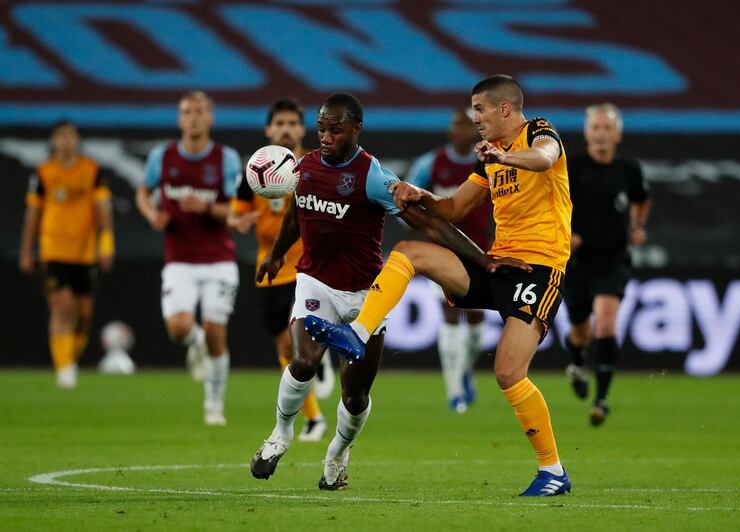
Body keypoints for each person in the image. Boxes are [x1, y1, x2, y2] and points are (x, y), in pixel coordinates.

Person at [305, 75, 574, 497]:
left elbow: (543, 159)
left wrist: (503, 160)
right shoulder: (489, 157)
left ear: (505, 108)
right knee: (411, 252)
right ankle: (356, 334)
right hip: (499, 263)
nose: (475, 118)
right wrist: (418, 195)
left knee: (507, 371)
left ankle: (553, 471)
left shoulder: (537, 131)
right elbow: (452, 208)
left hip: (540, 270)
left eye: (480, 110)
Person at [248, 92, 510, 490]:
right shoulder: (305, 167)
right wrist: (276, 255)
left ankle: (337, 453)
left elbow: (430, 225)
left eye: (335, 129)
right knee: (303, 362)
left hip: (365, 297)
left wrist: (482, 260)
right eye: (321, 128)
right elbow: (297, 211)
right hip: (315, 282)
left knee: (355, 397)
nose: (326, 136)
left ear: (356, 129)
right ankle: (280, 434)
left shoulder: (373, 176)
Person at [136, 91, 241, 426]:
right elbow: (142, 191)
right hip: (179, 260)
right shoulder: (162, 157)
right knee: (180, 328)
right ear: (180, 118)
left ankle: (214, 404)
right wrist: (152, 214)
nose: (192, 118)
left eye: (199, 112)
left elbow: (238, 208)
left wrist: (208, 207)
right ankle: (193, 342)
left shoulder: (226, 159)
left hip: (218, 260)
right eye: (186, 112)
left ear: (210, 118)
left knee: (215, 332)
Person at [228, 98, 327, 442]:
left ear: (302, 129)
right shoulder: (255, 169)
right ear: (269, 130)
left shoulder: (316, 166)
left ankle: (314, 412)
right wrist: (239, 221)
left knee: (294, 343)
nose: (286, 129)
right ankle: (314, 415)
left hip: (312, 268)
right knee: (287, 350)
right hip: (271, 270)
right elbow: (235, 213)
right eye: (279, 123)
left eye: (292, 123)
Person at [563, 103, 651, 426]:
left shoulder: (629, 169)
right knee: (580, 332)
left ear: (618, 133)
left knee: (606, 323)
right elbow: (553, 205)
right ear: (587, 132)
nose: (601, 134)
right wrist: (567, 233)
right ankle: (576, 362)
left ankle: (601, 400)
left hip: (612, 258)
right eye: (595, 128)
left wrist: (638, 226)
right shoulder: (570, 167)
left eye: (606, 128)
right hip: (577, 261)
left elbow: (642, 199)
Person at [405, 108, 491, 413]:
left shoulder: (490, 163)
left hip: (480, 252)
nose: (464, 129)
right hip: (443, 252)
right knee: (451, 314)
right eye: (458, 124)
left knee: (478, 322)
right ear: (451, 130)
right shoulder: (432, 163)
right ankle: (454, 391)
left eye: (469, 124)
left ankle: (465, 370)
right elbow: (407, 197)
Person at [19, 120, 115, 389]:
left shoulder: (91, 171)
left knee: (83, 315)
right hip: (54, 250)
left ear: (76, 141)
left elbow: (103, 211)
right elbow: (32, 215)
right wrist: (27, 250)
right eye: (60, 136)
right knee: (62, 307)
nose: (65, 141)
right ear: (53, 141)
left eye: (69, 136)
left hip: (84, 252)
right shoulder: (44, 173)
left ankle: (68, 359)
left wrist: (106, 244)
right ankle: (64, 370)